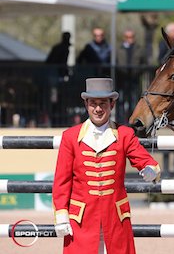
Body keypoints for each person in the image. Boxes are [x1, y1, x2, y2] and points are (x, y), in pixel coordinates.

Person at [52, 78, 161, 254]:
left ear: (112, 104)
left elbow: (145, 160)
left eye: (103, 103)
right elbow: (61, 182)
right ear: (86, 104)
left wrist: (151, 169)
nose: (98, 109)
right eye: (93, 103)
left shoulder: (125, 134)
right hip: (81, 219)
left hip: (115, 218)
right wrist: (61, 215)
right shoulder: (70, 137)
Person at [116, 29, 145, 122]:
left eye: (131, 37)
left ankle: (133, 120)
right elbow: (115, 62)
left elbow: (143, 63)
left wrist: (137, 72)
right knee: (120, 101)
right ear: (124, 38)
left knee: (134, 101)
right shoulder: (118, 49)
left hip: (134, 79)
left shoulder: (139, 49)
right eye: (128, 37)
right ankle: (120, 121)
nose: (130, 39)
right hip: (122, 79)